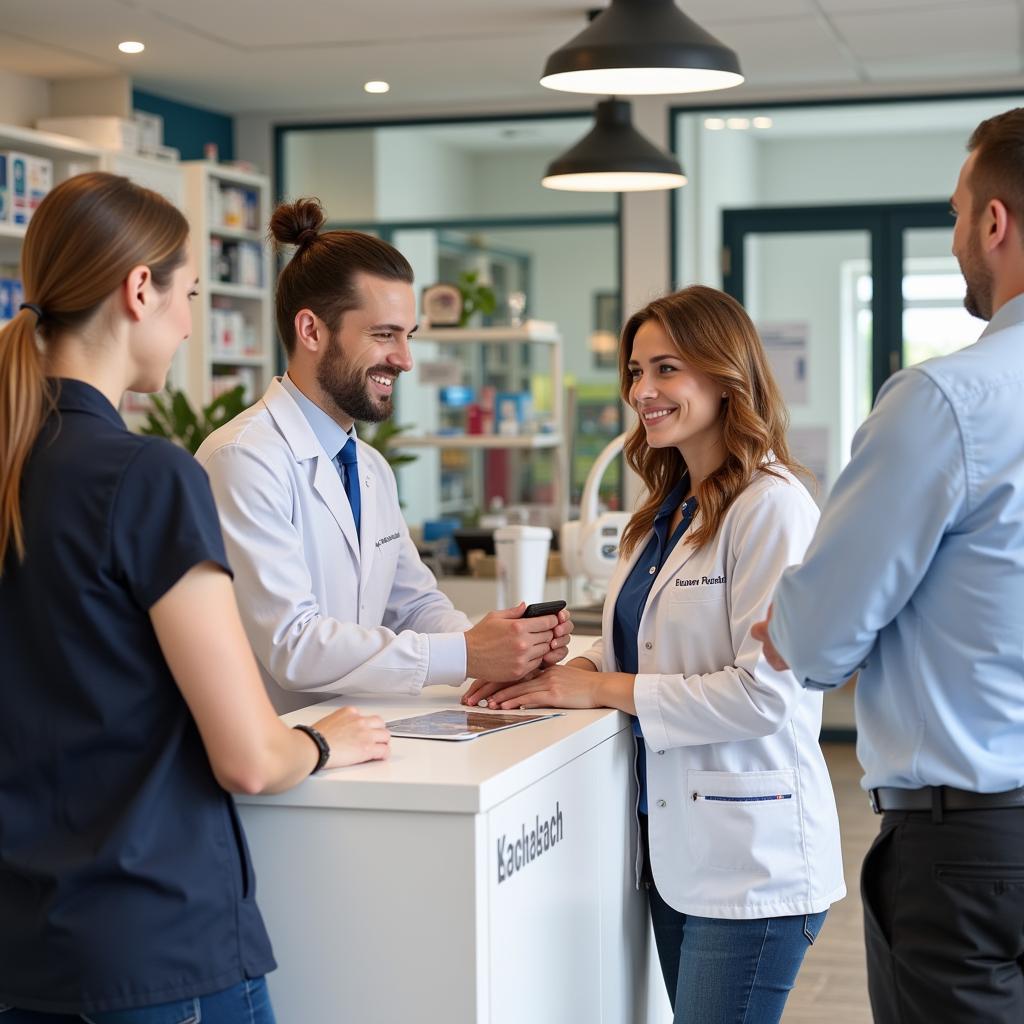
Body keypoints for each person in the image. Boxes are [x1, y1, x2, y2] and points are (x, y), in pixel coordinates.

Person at [0, 173, 390, 1023]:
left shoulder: (14, 466)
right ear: (139, 289)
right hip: (153, 947)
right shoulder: (146, 477)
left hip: (21, 951)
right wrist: (322, 742)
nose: (186, 323)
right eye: (188, 294)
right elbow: (250, 757)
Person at [465, 285, 845, 1023]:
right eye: (636, 372)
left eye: (666, 369)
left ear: (724, 371)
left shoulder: (772, 507)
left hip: (753, 863)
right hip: (673, 855)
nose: (643, 391)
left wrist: (601, 691)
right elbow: (622, 650)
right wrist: (559, 674)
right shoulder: (660, 514)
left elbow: (763, 696)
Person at [752, 107, 1024, 1024]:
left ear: (995, 222)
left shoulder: (949, 400)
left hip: (975, 848)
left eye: (956, 213)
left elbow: (819, 639)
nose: (955, 238)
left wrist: (800, 626)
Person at [195, 198, 570, 714]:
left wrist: (505, 650)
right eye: (383, 335)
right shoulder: (243, 459)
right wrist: (466, 652)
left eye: (408, 336)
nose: (405, 359)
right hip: (276, 759)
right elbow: (293, 645)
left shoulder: (367, 467)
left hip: (353, 740)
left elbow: (412, 604)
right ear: (311, 331)